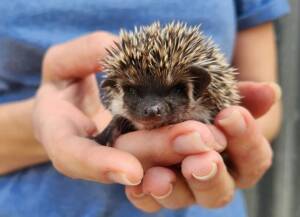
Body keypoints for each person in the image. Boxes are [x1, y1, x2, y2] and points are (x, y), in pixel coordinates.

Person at [0, 0, 289, 216]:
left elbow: (263, 115)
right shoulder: (117, 110)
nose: (152, 109)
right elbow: (115, 120)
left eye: (174, 91)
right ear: (116, 88)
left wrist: (237, 140)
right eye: (135, 94)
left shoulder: (209, 100)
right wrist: (41, 130)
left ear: (198, 87)